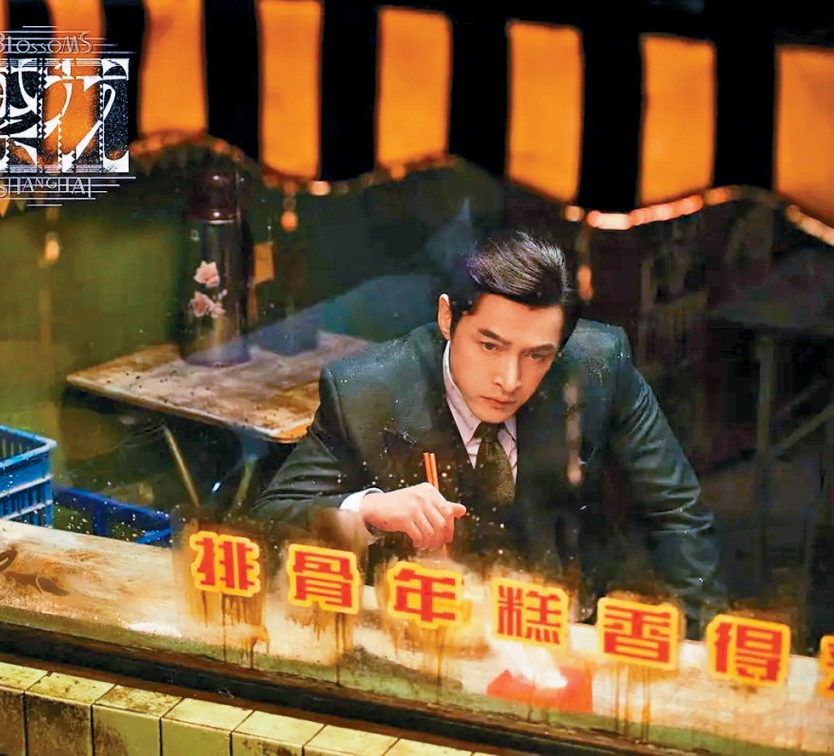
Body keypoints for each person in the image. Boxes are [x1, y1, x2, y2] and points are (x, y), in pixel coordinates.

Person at [251, 229, 727, 630]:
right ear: (447, 318)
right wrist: (369, 510)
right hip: (423, 630)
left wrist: (696, 650)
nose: (510, 380)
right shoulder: (366, 390)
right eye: (490, 346)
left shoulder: (600, 366)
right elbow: (267, 524)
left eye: (537, 355)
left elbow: (676, 512)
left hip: (561, 626)